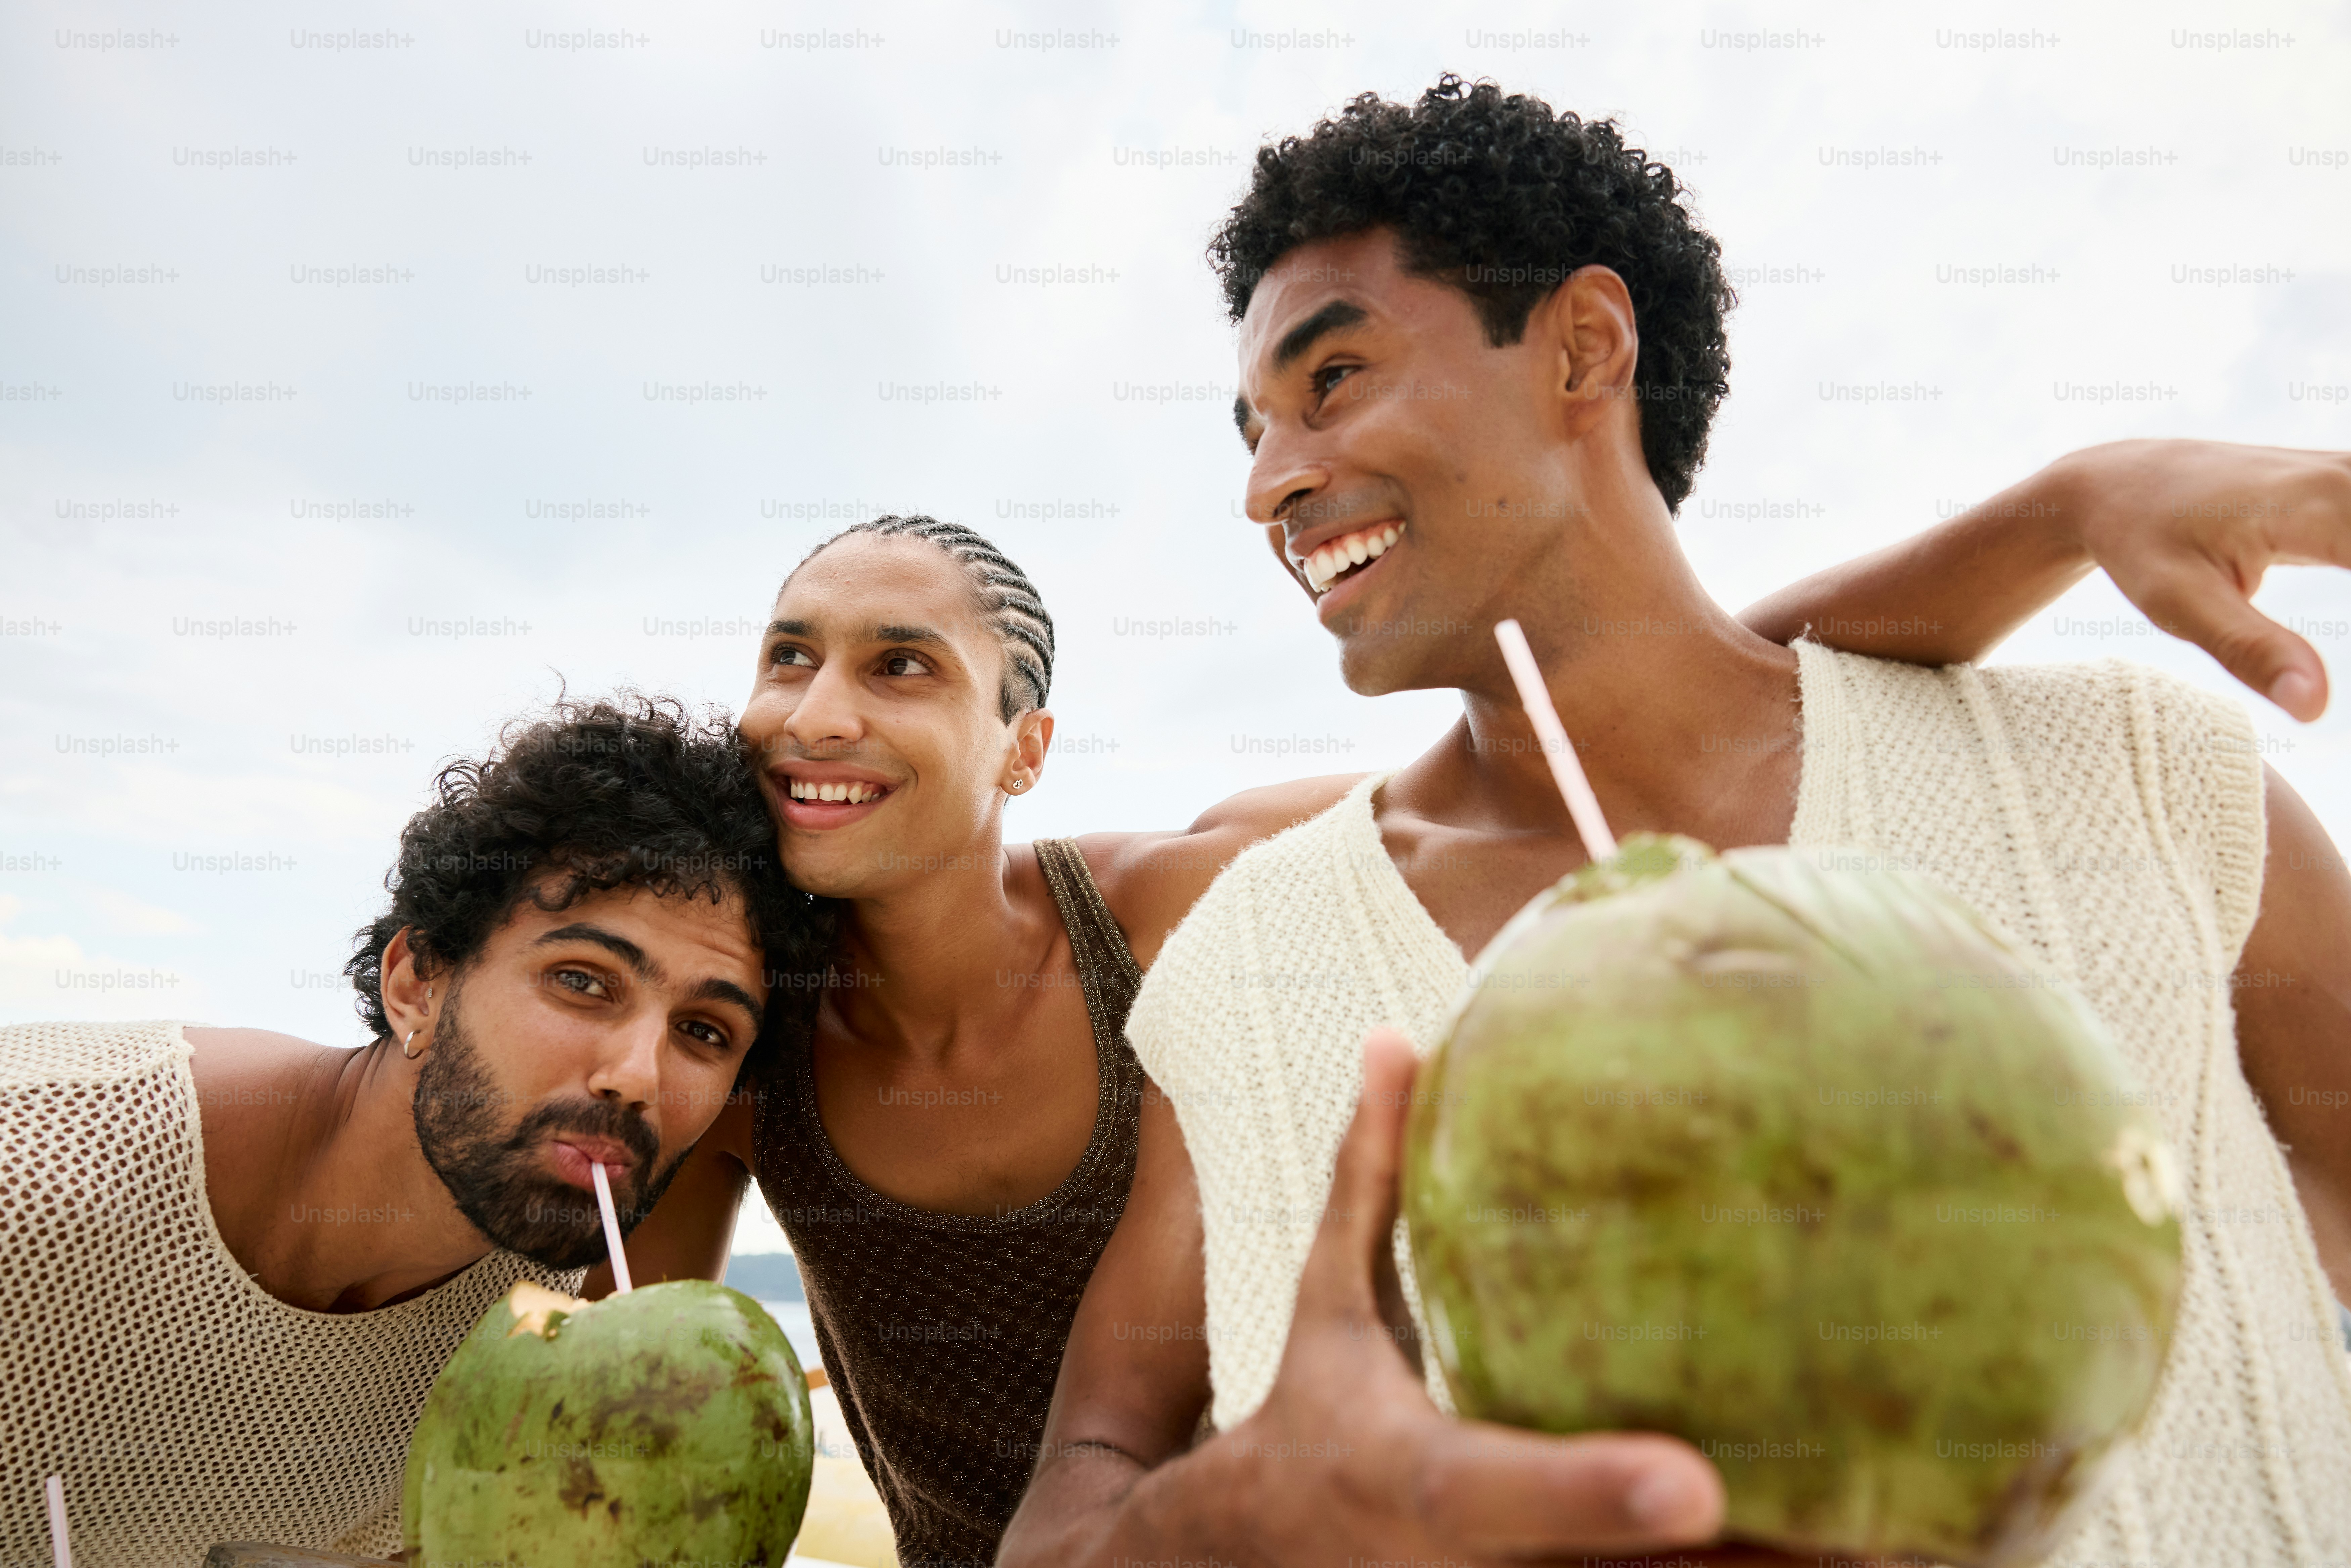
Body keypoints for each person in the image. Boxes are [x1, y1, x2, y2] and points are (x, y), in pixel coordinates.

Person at [998, 79, 2351, 1567]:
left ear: (1583, 347)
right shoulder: (1246, 969)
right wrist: (1217, 1520)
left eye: (1333, 380)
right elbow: (1085, 1485)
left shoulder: (2144, 777)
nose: (1269, 483)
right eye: (1251, 429)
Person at [620, 442, 2351, 1565]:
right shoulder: (736, 1035)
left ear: (1024, 746)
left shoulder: (1171, 898)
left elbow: (1589, 725)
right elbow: (644, 1366)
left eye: (899, 664)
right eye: (787, 653)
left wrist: (2049, 519)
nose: (817, 709)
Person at [0, 694, 827, 1566]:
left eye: (704, 1031)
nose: (637, 1076)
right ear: (416, 986)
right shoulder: (38, 1183)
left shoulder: (587, 1275)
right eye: (582, 981)